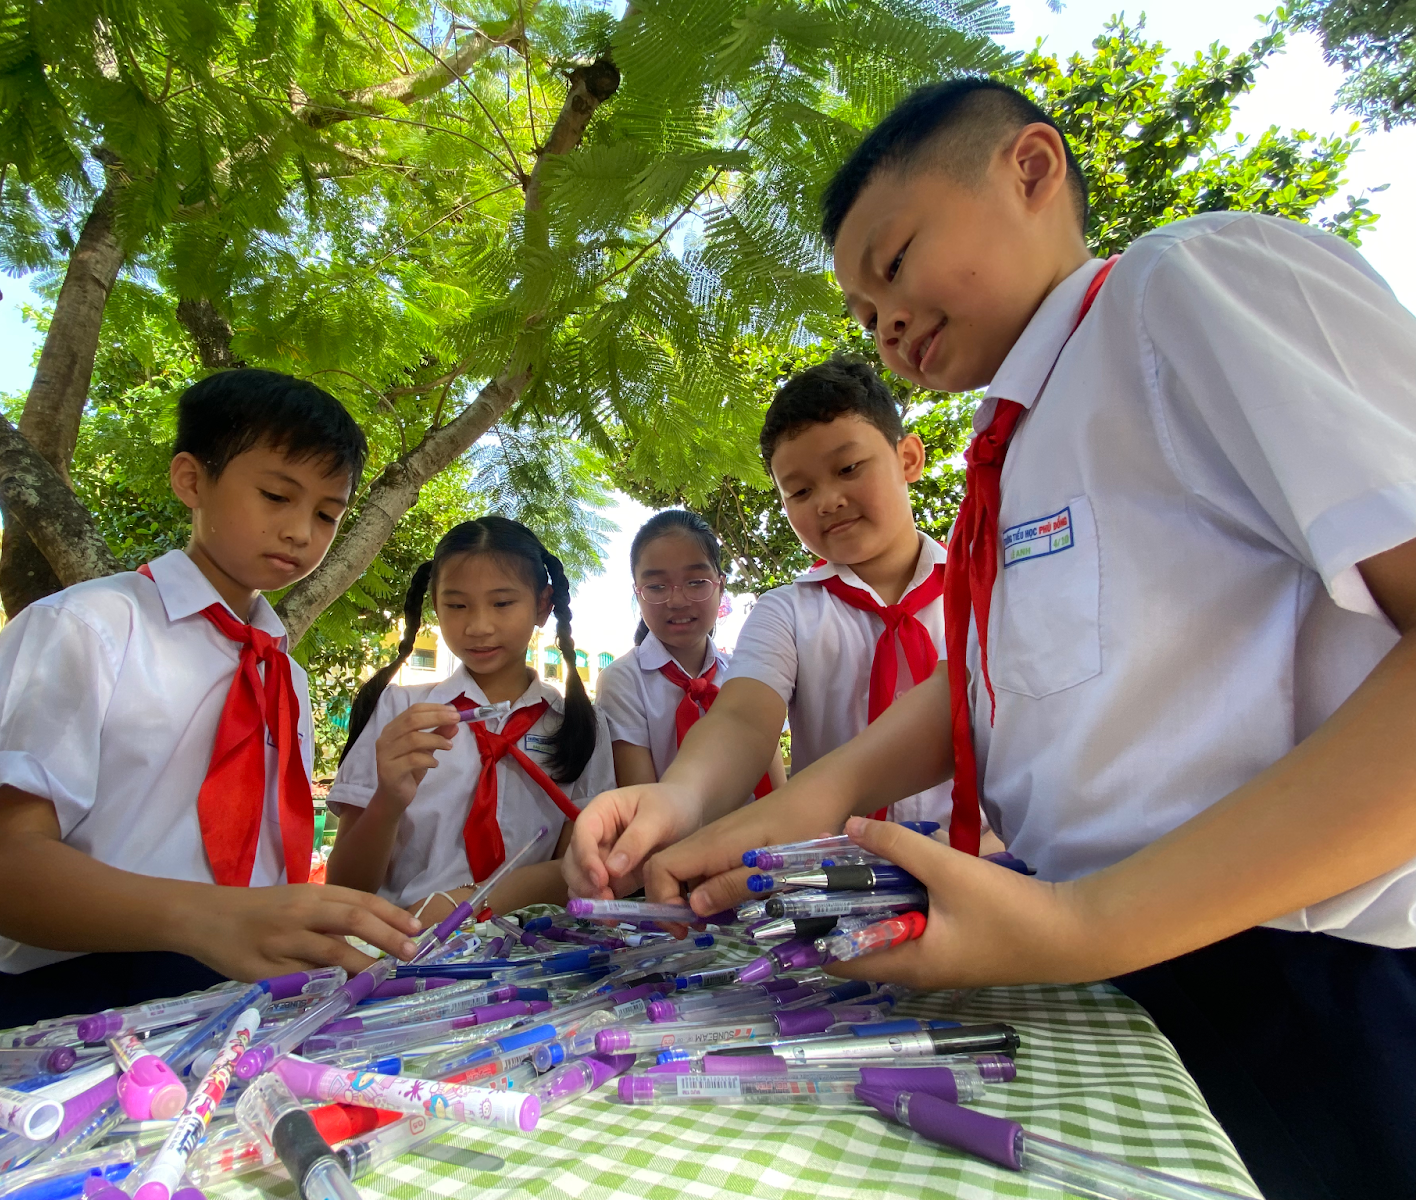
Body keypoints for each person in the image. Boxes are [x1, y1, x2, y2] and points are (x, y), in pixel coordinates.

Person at [576, 77, 1416, 1200]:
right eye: (863, 314)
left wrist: (1078, 923)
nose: (886, 322)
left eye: (896, 260)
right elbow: (982, 688)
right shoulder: (1017, 448)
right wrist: (719, 822)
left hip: (1305, 971)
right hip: (1119, 968)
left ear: (1030, 170)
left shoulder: (1184, 286)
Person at [0, 369, 424, 1034]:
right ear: (191, 480)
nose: (300, 531)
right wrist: (208, 918)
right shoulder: (89, 628)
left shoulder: (284, 676)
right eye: (276, 495)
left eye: (326, 514)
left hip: (236, 1003)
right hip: (71, 1002)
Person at [567, 356, 970, 901]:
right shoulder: (785, 613)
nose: (827, 501)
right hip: (830, 886)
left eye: (849, 468)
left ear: (909, 458)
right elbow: (742, 720)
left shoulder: (984, 593)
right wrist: (680, 797)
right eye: (799, 492)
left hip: (980, 867)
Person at [327, 516, 615, 922]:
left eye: (502, 603)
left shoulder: (581, 726)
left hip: (533, 944)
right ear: (435, 605)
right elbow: (344, 888)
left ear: (542, 606)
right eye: (457, 605)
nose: (479, 626)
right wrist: (388, 799)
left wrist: (466, 903)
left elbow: (581, 869)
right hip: (402, 941)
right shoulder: (397, 713)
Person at [595, 509, 784, 794]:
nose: (677, 600)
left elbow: (777, 786)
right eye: (656, 586)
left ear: (720, 586)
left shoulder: (748, 674)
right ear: (638, 594)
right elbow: (642, 797)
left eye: (695, 582)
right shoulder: (623, 681)